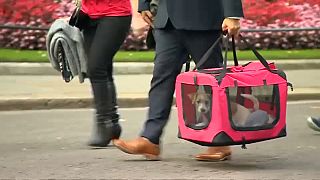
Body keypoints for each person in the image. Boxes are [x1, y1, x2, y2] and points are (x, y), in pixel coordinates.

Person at [113, 0, 243, 160]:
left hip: (202, 19)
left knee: (212, 81)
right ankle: (150, 138)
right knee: (161, 79)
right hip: (167, 21)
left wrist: (232, 14)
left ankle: (219, 142)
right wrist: (144, 4)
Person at [79, 0, 132, 147]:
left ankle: (103, 123)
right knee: (103, 70)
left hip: (115, 12)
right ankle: (113, 123)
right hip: (88, 14)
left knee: (96, 68)